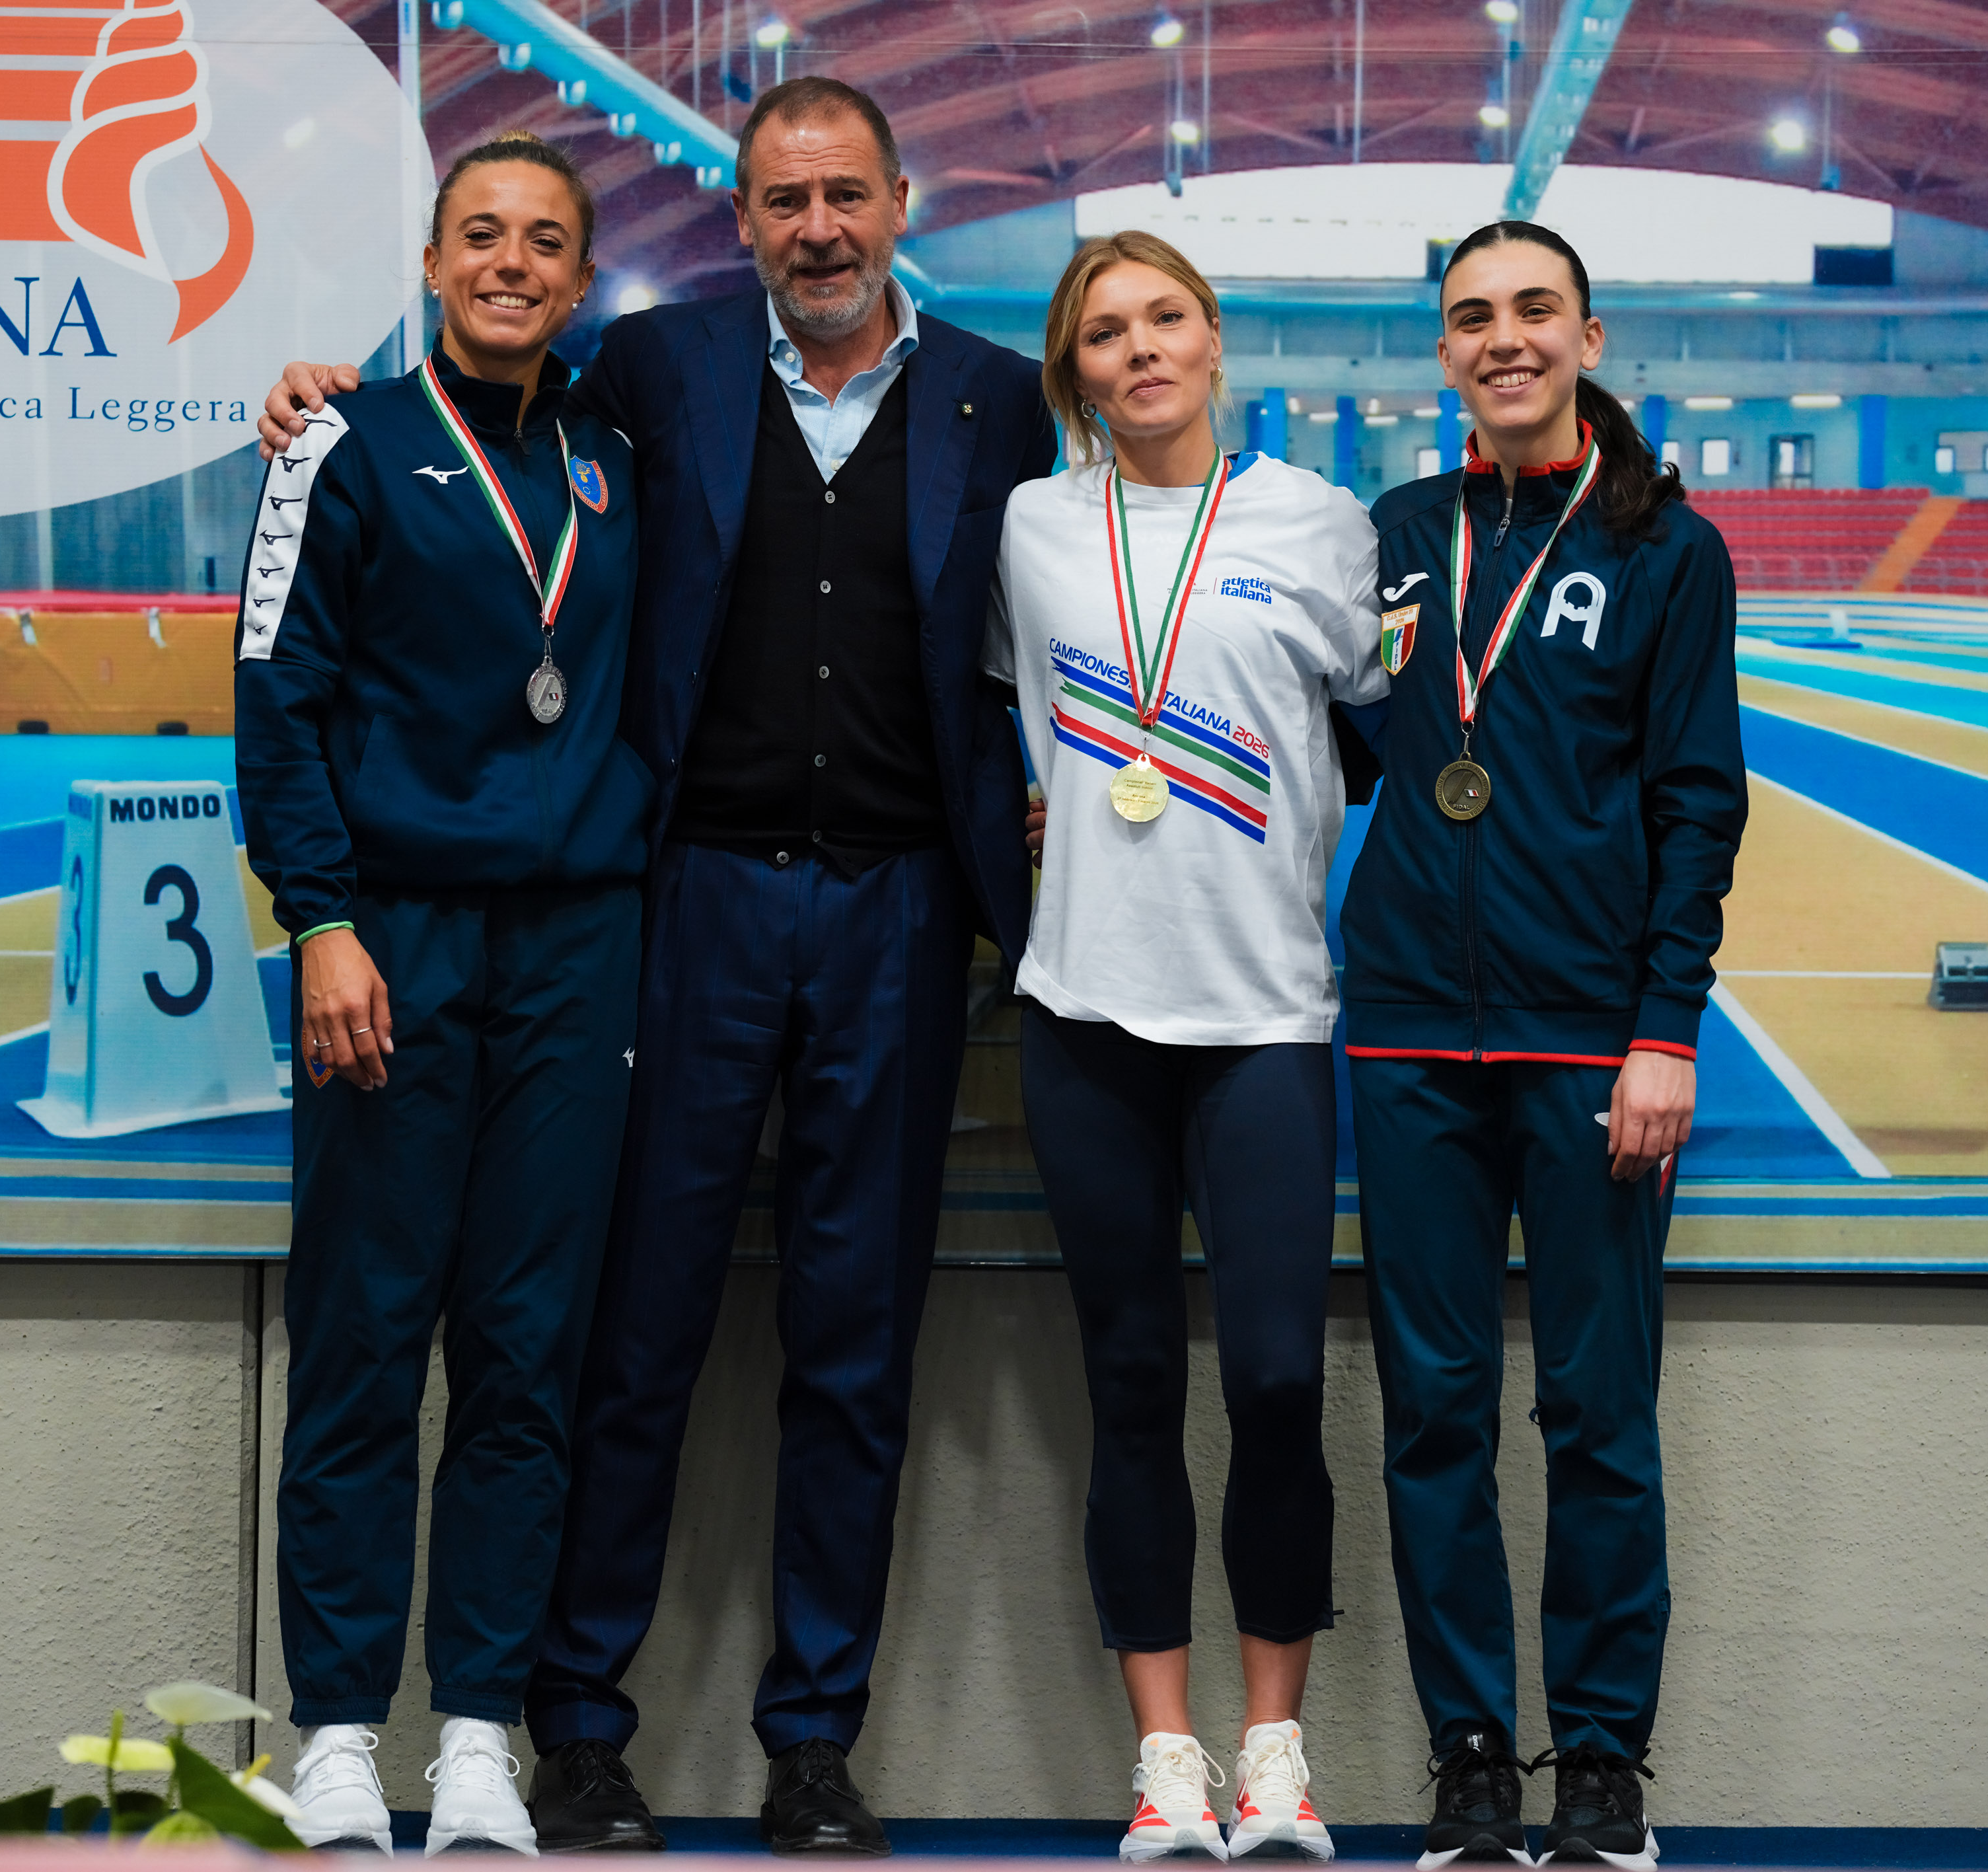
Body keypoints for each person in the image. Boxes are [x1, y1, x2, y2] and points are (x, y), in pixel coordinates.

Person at [260, 79, 1052, 1853]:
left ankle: (813, 1741)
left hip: (899, 913)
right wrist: (318, 401)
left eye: (846, 196)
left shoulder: (998, 399)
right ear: (741, 220)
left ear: (901, 202)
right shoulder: (657, 374)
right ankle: (570, 1728)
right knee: (624, 1337)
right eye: (783, 201)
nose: (818, 230)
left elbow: (1060, 618)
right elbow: (462, 434)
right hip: (684, 908)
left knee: (852, 1348)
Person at [234, 130, 651, 1856]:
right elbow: (277, 696)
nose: (510, 263)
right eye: (481, 233)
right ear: (429, 262)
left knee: (526, 1355)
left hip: (576, 948)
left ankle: (477, 1730)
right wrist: (321, 921)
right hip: (392, 943)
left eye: (545, 241)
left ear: (580, 279)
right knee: (362, 1338)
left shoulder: (613, 457)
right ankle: (337, 1730)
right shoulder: (336, 444)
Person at [1336, 221, 1745, 1871]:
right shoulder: (1394, 535)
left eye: (1531, 311)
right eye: (1471, 318)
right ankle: (1467, 1756)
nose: (1502, 338)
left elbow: (1696, 801)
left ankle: (1600, 1760)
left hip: (1590, 1047)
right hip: (1407, 1040)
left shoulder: (1666, 548)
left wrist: (1664, 1028)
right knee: (1432, 1412)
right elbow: (1337, 749)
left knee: (1596, 1414)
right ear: (1443, 353)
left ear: (1587, 334)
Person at [986, 231, 1382, 1865]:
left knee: (1277, 1382)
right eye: (1104, 333)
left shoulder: (1318, 521)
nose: (1138, 350)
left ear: (1213, 340)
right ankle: (1167, 1760)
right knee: (1132, 1382)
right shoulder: (1029, 526)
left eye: (1164, 320)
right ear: (1072, 371)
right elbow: (1004, 721)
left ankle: (1274, 1746)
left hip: (1265, 1012)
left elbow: (1368, 726)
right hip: (1084, 1009)